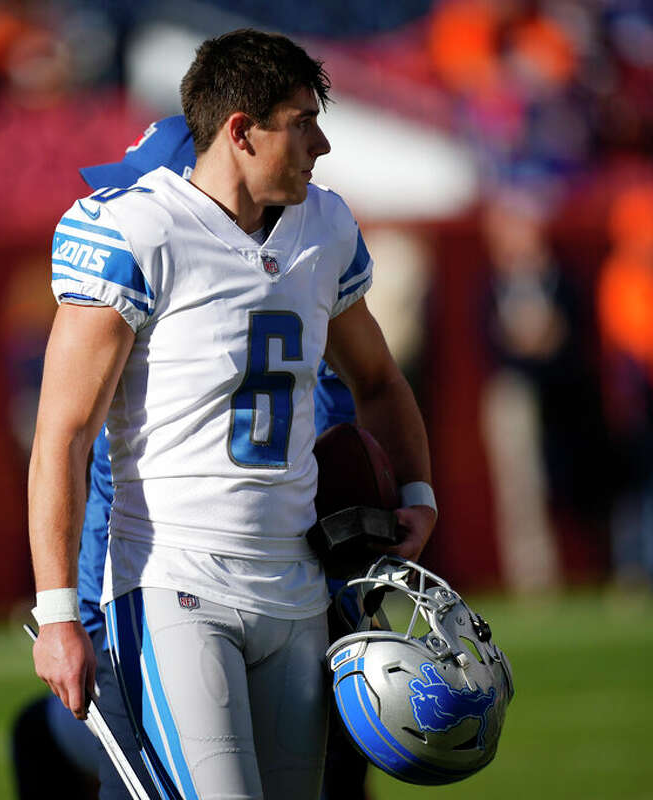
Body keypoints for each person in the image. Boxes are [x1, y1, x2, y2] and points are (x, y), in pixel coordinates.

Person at [28, 29, 435, 800]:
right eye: (302, 120)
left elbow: (378, 379)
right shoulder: (136, 229)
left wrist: (417, 495)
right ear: (242, 131)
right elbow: (64, 436)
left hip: (297, 583)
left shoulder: (325, 227)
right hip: (172, 577)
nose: (320, 143)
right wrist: (57, 615)